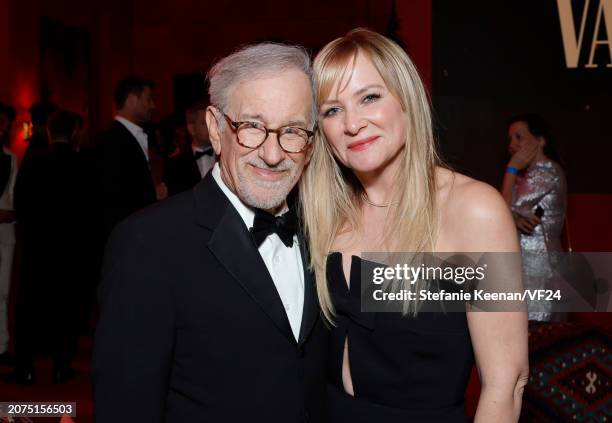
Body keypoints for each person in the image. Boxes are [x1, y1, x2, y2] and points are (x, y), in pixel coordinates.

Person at [300, 28, 529, 422]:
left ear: (407, 100)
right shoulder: (324, 213)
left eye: (369, 97)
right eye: (332, 110)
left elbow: (505, 383)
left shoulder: (474, 210)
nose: (352, 124)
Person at [94, 42, 328, 422]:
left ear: (312, 143)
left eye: (292, 130)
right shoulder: (147, 244)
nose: (272, 154)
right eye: (251, 127)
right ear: (216, 130)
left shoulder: (325, 230)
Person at [7, 110, 91, 384]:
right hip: (69, 250)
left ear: (48, 132)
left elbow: (20, 204)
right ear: (74, 132)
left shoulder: (34, 162)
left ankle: (25, 368)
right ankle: (61, 366)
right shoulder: (81, 165)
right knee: (64, 308)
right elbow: (89, 210)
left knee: (29, 308)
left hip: (37, 247)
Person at [501, 113, 567, 321]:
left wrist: (511, 168)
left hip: (541, 270)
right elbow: (505, 215)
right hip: (526, 269)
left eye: (519, 137)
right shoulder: (523, 178)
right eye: (510, 139)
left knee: (540, 338)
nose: (512, 144)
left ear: (541, 141)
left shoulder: (548, 171)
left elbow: (502, 210)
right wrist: (512, 218)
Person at [94, 77, 158, 239]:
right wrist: (153, 195)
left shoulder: (142, 135)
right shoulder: (109, 142)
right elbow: (111, 197)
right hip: (126, 234)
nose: (153, 105)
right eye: (148, 98)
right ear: (131, 100)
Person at [163, 102, 215, 196]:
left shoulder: (225, 157)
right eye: (205, 123)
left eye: (212, 122)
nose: (211, 127)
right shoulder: (175, 164)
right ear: (191, 128)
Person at [0, 102, 17, 366]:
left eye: (5, 122)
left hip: (5, 231)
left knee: (3, 290)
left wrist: (12, 213)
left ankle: (1, 346)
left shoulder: (11, 157)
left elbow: (14, 196)